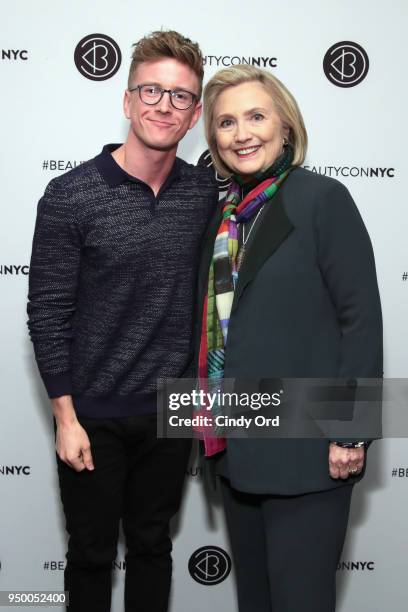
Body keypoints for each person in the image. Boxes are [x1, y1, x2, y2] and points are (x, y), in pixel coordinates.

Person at [27, 30, 217, 612]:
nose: (164, 105)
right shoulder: (71, 194)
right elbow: (48, 308)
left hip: (170, 410)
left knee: (153, 549)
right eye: (151, 91)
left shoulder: (206, 195)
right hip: (93, 414)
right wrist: (65, 416)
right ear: (128, 100)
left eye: (180, 96)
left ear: (194, 115)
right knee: (89, 555)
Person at [197, 65, 382, 611]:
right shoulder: (223, 216)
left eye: (256, 116)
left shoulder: (323, 199)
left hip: (307, 452)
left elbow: (361, 321)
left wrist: (352, 432)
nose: (242, 133)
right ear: (215, 141)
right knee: (255, 603)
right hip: (235, 450)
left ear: (286, 127)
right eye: (226, 123)